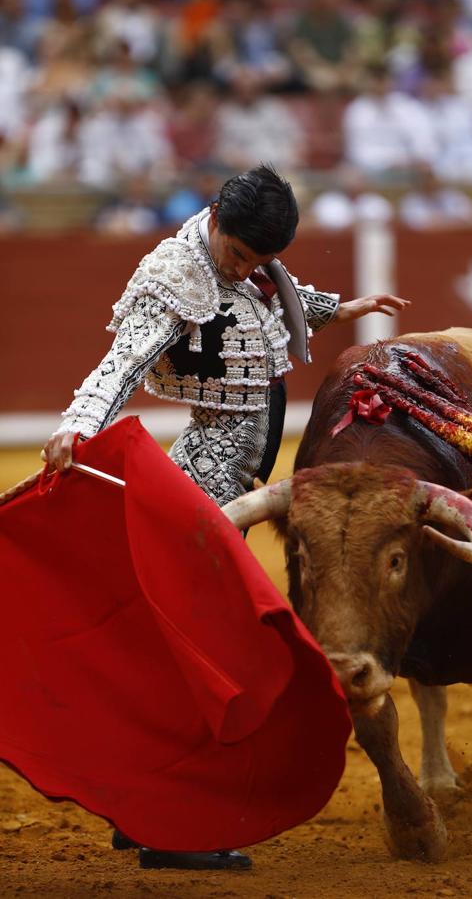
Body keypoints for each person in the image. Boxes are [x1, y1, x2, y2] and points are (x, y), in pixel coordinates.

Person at [43, 164, 409, 869]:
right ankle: (172, 820)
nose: (247, 267)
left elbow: (270, 297)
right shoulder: (172, 276)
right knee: (206, 654)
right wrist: (77, 426)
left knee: (194, 647)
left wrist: (345, 306)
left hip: (229, 470)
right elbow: (120, 364)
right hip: (214, 469)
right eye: (240, 253)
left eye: (258, 258)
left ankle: (143, 806)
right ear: (214, 216)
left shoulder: (240, 262)